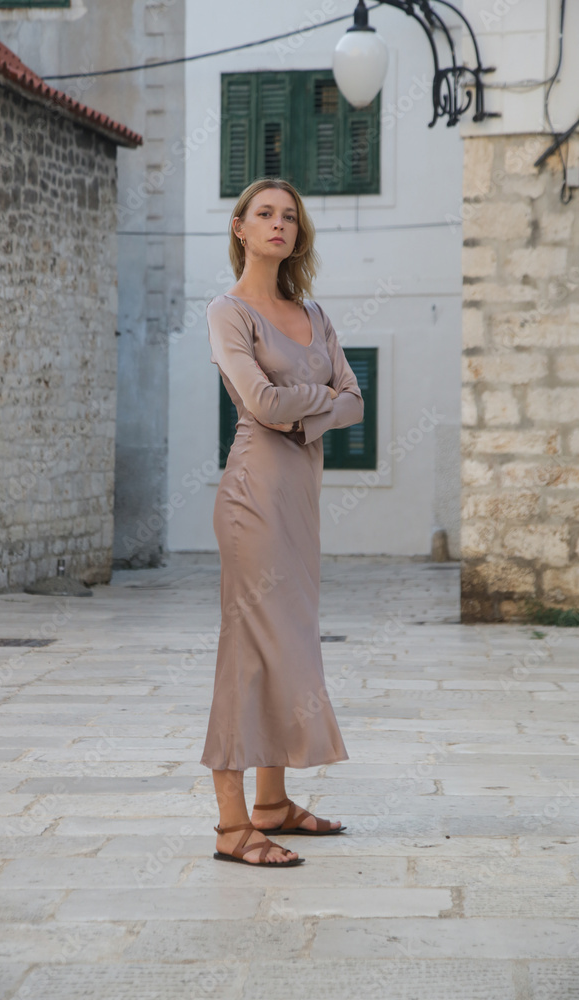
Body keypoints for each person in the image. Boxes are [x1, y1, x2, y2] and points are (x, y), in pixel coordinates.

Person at [200, 177, 364, 867]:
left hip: (300, 498)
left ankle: (274, 803)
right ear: (239, 228)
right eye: (263, 214)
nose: (278, 225)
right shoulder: (228, 311)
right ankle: (233, 825)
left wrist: (311, 402)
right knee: (250, 646)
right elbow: (261, 404)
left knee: (291, 644)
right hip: (253, 496)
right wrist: (315, 398)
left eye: (288, 217)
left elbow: (355, 402)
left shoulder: (313, 313)